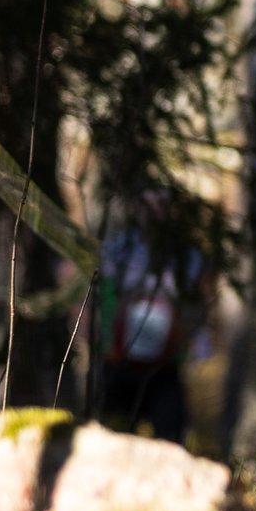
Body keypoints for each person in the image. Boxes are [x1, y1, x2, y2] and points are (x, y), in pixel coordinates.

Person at [95, 181, 211, 443]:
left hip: (165, 366)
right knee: (113, 436)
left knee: (170, 437)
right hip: (118, 363)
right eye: (147, 205)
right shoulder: (115, 250)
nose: (154, 213)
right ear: (136, 208)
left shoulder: (189, 257)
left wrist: (198, 345)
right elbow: (99, 297)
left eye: (162, 205)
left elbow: (200, 303)